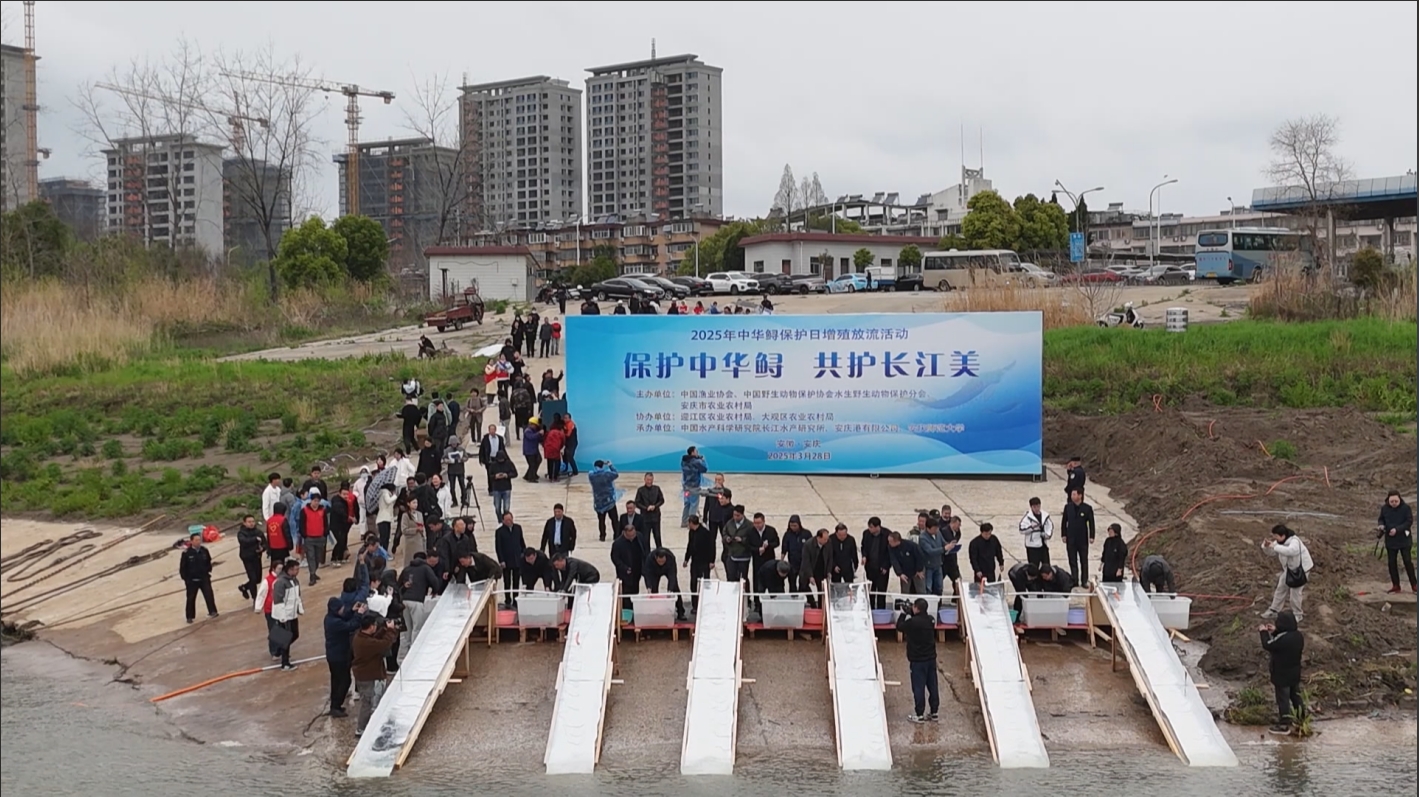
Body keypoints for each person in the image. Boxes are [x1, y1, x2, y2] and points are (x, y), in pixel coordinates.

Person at [352, 613, 399, 738]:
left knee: (371, 701)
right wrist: (390, 630)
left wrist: (384, 630)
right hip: (367, 677)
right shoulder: (365, 643)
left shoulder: (360, 636)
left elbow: (375, 640)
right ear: (371, 627)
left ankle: (369, 724)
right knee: (367, 703)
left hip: (367, 674)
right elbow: (384, 644)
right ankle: (361, 729)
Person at [1259, 610, 1306, 735]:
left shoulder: (1283, 639)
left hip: (1281, 674)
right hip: (1294, 672)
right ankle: (1301, 718)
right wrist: (1275, 631)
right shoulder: (1298, 636)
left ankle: (1284, 724)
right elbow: (1282, 638)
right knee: (1295, 696)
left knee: (1283, 699)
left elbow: (1268, 644)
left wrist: (1263, 632)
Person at [896, 597, 939, 723]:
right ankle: (934, 712)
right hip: (931, 659)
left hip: (918, 661)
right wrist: (911, 612)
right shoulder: (931, 620)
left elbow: (900, 626)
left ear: (916, 608)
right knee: (932, 685)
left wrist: (903, 613)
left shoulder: (912, 623)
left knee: (918, 687)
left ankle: (919, 714)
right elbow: (920, 620)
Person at [1262, 524, 1313, 623]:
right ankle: (1274, 610)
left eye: (1276, 536)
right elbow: (1272, 552)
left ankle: (1297, 614)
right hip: (1289, 570)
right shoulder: (1279, 542)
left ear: (1283, 535)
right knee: (1281, 588)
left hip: (1300, 571)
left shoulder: (1294, 541)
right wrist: (1266, 547)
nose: (1274, 538)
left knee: (1295, 594)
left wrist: (1275, 546)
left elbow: (1290, 551)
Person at [323, 597, 363, 718]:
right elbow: (351, 625)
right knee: (345, 681)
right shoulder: (335, 623)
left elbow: (344, 618)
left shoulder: (330, 618)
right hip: (339, 656)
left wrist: (352, 611)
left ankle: (335, 705)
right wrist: (359, 614)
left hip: (334, 655)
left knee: (336, 681)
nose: (343, 610)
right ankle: (336, 706)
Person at [398, 552, 443, 644]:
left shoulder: (407, 569)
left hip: (404, 601)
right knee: (417, 628)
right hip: (417, 601)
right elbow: (435, 582)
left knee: (406, 629)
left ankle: (404, 651)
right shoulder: (426, 568)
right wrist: (435, 591)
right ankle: (415, 649)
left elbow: (398, 584)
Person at [270, 559, 305, 671]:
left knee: (295, 634)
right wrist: (282, 616)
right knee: (287, 638)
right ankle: (285, 663)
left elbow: (297, 596)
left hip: (292, 614)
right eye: (296, 569)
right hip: (285, 615)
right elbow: (278, 600)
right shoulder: (280, 582)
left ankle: (278, 651)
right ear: (290, 570)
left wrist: (299, 608)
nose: (297, 571)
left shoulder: (294, 580)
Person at [1379, 490, 1416, 593]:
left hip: (1404, 538)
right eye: (1392, 501)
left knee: (1407, 561)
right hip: (1390, 540)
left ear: (1400, 499)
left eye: (1396, 501)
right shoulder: (1384, 508)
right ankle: (1396, 585)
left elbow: (1409, 521)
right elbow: (1381, 519)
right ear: (1388, 500)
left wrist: (1397, 530)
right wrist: (1381, 525)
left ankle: (1414, 584)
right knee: (1392, 563)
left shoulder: (1406, 508)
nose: (1394, 503)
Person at [179, 530, 218, 623]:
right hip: (192, 580)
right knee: (191, 598)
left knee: (209, 595)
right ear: (191, 541)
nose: (198, 542)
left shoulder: (204, 551)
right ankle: (190, 616)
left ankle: (213, 611)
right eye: (196, 540)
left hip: (204, 578)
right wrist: (187, 579)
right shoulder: (186, 553)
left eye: (199, 540)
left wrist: (208, 571)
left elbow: (208, 562)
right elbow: (183, 568)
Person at [1061, 488, 1096, 586]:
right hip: (1071, 538)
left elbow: (1091, 523)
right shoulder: (1068, 507)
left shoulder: (1087, 508)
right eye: (1072, 494)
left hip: (1082, 539)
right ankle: (1074, 580)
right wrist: (1064, 534)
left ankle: (1084, 580)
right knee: (1072, 560)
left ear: (1080, 495)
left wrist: (1092, 536)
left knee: (1083, 560)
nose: (1072, 496)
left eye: (1074, 494)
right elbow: (1064, 521)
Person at [683, 515, 717, 614]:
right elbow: (690, 545)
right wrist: (686, 559)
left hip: (704, 562)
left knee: (705, 584)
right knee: (693, 583)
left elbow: (712, 546)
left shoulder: (706, 533)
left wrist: (712, 561)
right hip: (695, 561)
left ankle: (706, 603)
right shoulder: (691, 532)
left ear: (691, 523)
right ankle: (695, 605)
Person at [643, 547, 687, 622]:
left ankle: (681, 611)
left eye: (663, 561)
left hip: (668, 569)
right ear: (656, 558)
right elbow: (647, 574)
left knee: (675, 588)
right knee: (653, 590)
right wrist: (648, 586)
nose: (661, 563)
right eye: (659, 561)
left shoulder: (671, 558)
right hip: (654, 571)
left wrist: (670, 590)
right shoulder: (649, 559)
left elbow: (672, 575)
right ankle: (655, 613)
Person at [298, 488, 332, 585]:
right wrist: (304, 535)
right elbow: (301, 524)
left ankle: (314, 571)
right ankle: (312, 575)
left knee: (318, 557)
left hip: (320, 537)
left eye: (318, 501)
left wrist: (325, 533)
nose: (316, 503)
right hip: (309, 538)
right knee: (310, 557)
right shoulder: (304, 510)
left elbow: (325, 523)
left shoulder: (323, 510)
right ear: (311, 500)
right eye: (314, 501)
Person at [253, 560, 284, 660]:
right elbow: (261, 594)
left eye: (281, 568)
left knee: (282, 629)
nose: (280, 570)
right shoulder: (267, 580)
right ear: (273, 568)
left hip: (280, 608)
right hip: (270, 609)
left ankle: (281, 650)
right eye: (278, 568)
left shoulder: (282, 578)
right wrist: (258, 607)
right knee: (274, 630)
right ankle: (274, 651)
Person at [720, 505, 758, 585]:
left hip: (744, 556)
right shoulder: (729, 523)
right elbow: (724, 533)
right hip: (731, 554)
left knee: (743, 579)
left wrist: (742, 540)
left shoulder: (750, 525)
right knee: (731, 577)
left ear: (742, 514)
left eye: (738, 515)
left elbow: (753, 540)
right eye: (734, 515)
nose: (735, 517)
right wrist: (727, 538)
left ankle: (745, 592)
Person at [494, 512, 526, 606]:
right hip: (506, 560)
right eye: (506, 520)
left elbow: (521, 542)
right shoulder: (499, 531)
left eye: (510, 519)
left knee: (516, 581)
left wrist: (523, 554)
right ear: (503, 521)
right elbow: (498, 547)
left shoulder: (518, 528)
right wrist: (501, 560)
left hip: (517, 559)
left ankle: (515, 599)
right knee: (507, 581)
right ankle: (507, 599)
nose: (509, 521)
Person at [861, 517, 893, 610]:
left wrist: (886, 566)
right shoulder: (866, 534)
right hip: (870, 567)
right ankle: (870, 609)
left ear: (878, 527)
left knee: (881, 591)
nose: (870, 529)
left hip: (882, 569)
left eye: (871, 527)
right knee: (871, 590)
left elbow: (890, 553)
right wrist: (864, 556)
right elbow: (864, 547)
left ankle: (881, 610)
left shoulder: (887, 534)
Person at [611, 523, 644, 607]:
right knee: (625, 593)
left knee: (635, 590)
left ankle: (633, 607)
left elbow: (644, 550)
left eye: (633, 535)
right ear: (624, 533)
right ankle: (626, 608)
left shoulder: (639, 537)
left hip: (637, 570)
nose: (632, 537)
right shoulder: (617, 543)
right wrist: (624, 568)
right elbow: (615, 558)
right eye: (630, 536)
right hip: (624, 573)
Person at [588, 460, 620, 542]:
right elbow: (616, 474)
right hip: (609, 501)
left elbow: (591, 472)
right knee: (614, 519)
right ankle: (616, 535)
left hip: (599, 502)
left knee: (601, 520)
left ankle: (602, 536)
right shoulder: (607, 474)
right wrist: (610, 465)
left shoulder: (592, 476)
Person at [236, 514, 266, 601]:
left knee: (258, 579)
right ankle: (255, 598)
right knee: (252, 578)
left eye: (253, 521)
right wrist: (255, 539)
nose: (251, 523)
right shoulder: (241, 533)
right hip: (247, 558)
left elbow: (265, 543)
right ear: (244, 523)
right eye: (249, 522)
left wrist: (262, 548)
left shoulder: (258, 532)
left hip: (257, 557)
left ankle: (244, 587)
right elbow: (244, 541)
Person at [1018, 497, 1054, 567]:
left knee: (1046, 566)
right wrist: (1032, 527)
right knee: (1033, 567)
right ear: (1031, 507)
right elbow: (1021, 530)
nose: (1037, 508)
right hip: (1032, 547)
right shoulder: (1027, 518)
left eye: (1038, 506)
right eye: (1034, 507)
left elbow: (1050, 526)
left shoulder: (1045, 516)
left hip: (1043, 545)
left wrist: (1047, 535)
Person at [750, 513, 780, 596]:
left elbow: (777, 542)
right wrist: (757, 549)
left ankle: (773, 597)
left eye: (759, 523)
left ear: (763, 521)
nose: (757, 525)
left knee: (772, 580)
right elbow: (748, 546)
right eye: (755, 523)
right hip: (757, 561)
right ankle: (757, 600)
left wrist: (768, 545)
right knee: (757, 581)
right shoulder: (751, 532)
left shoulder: (771, 530)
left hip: (769, 560)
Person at [887, 531, 926, 595]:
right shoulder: (890, 547)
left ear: (897, 541)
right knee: (905, 591)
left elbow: (920, 557)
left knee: (920, 590)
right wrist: (900, 573)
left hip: (917, 570)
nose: (889, 543)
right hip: (904, 572)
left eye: (890, 541)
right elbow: (894, 561)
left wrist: (919, 570)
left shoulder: (911, 545)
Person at [781, 515, 811, 595]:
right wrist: (781, 561)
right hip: (792, 563)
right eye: (791, 526)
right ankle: (793, 597)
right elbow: (784, 549)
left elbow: (811, 548)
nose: (793, 527)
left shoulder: (806, 534)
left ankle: (803, 597)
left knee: (803, 583)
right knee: (792, 582)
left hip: (804, 563)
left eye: (795, 525)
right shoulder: (787, 535)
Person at [634, 473, 666, 548]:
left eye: (651, 480)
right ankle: (646, 553)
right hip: (645, 517)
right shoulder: (640, 490)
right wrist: (646, 508)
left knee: (657, 536)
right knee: (645, 538)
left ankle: (659, 551)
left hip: (655, 517)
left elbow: (661, 500)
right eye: (648, 480)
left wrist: (655, 506)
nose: (649, 481)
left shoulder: (657, 489)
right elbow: (637, 502)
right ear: (644, 480)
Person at [801, 528, 831, 607]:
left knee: (821, 590)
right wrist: (810, 576)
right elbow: (806, 561)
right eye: (824, 539)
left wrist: (828, 571)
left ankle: (821, 607)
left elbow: (830, 558)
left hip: (821, 569)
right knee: (803, 586)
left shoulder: (828, 543)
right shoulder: (808, 545)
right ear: (818, 538)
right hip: (809, 568)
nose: (826, 541)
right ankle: (812, 603)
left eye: (827, 539)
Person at [680, 447, 708, 528]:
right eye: (696, 451)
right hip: (694, 487)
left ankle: (684, 521)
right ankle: (691, 523)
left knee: (687, 504)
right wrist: (702, 460)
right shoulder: (696, 461)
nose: (697, 452)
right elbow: (704, 469)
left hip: (686, 486)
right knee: (694, 505)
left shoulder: (683, 461)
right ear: (692, 452)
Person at [917, 518, 946, 597]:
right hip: (928, 566)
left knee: (939, 586)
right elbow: (930, 551)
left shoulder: (938, 533)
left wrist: (950, 546)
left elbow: (943, 542)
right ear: (928, 528)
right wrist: (944, 549)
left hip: (938, 564)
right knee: (928, 587)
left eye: (937, 528)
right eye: (934, 529)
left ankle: (938, 602)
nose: (936, 530)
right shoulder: (923, 538)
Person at [487, 449, 517, 520]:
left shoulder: (509, 463)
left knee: (506, 508)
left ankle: (505, 520)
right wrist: (495, 476)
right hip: (496, 489)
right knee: (497, 507)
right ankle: (500, 521)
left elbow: (515, 473)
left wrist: (507, 475)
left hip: (506, 488)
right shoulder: (493, 465)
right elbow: (490, 476)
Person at [542, 418, 566, 482]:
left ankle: (550, 477)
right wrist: (560, 448)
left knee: (550, 463)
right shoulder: (560, 433)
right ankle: (555, 477)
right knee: (557, 463)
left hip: (548, 449)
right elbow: (563, 442)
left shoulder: (549, 432)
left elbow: (544, 439)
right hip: (555, 449)